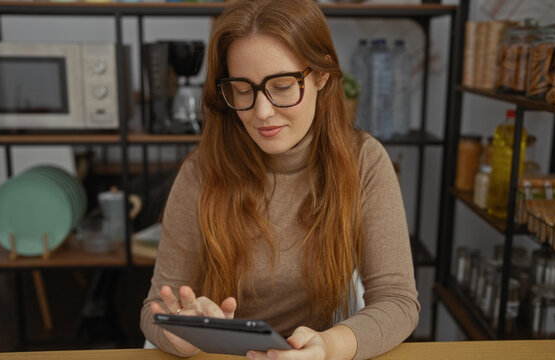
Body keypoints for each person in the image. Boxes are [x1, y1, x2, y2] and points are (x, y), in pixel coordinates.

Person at [140, 0, 419, 358]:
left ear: (322, 75)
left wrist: (329, 345)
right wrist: (180, 331)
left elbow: (398, 301)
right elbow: (153, 309)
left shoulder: (363, 161)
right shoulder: (202, 170)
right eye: (242, 89)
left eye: (283, 86)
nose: (262, 113)